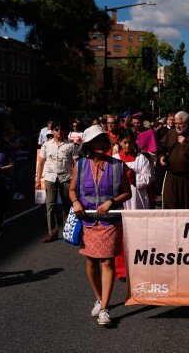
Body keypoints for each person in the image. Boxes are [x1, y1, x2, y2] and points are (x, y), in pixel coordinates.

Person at [70, 125, 131, 326]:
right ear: (88, 144)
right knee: (91, 262)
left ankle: (104, 307)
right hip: (88, 219)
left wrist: (111, 202)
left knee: (107, 262)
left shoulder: (117, 165)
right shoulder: (80, 165)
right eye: (95, 141)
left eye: (102, 140)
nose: (99, 144)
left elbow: (127, 193)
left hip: (110, 220)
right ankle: (98, 298)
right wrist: (76, 202)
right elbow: (72, 191)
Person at [113, 129, 153, 281]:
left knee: (139, 233)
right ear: (119, 142)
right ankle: (122, 269)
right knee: (122, 234)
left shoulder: (141, 158)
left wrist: (133, 177)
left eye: (130, 142)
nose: (128, 145)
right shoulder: (115, 159)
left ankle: (141, 266)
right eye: (124, 142)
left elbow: (147, 179)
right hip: (122, 200)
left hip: (138, 199)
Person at [35, 122, 75, 243]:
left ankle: (68, 231)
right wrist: (37, 180)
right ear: (52, 131)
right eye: (57, 129)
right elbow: (41, 162)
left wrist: (76, 179)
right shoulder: (46, 145)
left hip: (66, 177)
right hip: (50, 177)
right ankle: (52, 232)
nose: (59, 131)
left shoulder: (70, 145)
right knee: (50, 205)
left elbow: (76, 163)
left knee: (67, 204)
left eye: (62, 129)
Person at [158, 111, 189, 209]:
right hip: (172, 178)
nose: (177, 126)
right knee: (171, 207)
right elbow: (161, 148)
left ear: (188, 123)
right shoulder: (171, 133)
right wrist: (161, 157)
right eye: (176, 124)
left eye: (180, 124)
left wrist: (186, 144)